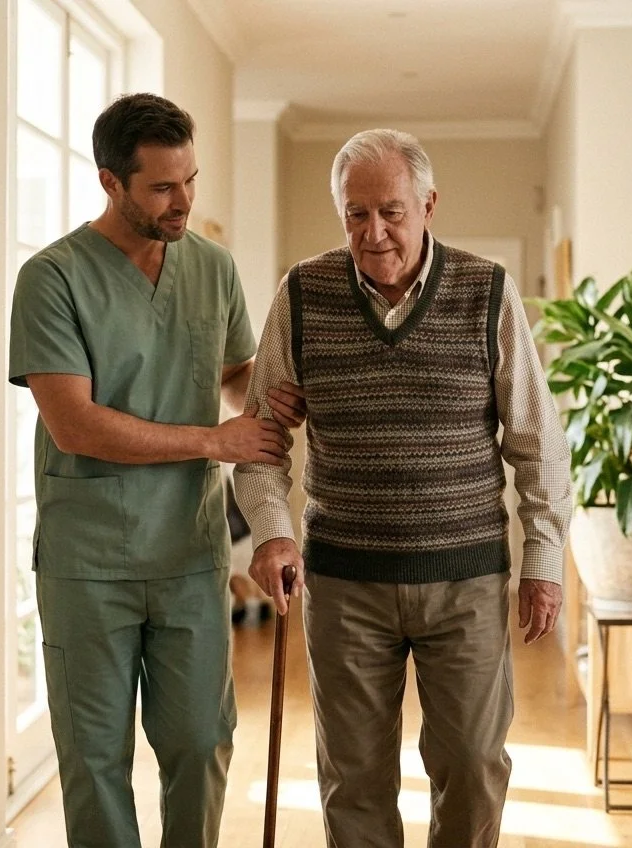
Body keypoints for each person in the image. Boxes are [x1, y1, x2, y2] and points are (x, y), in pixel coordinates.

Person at [233, 128, 573, 848]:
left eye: (390, 210)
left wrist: (542, 564)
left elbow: (536, 441)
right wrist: (271, 530)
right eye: (355, 214)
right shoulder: (302, 293)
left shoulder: (486, 291)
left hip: (465, 579)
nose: (374, 231)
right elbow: (260, 443)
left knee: (473, 764)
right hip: (345, 581)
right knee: (352, 778)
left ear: (428, 203)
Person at [8, 92, 306, 848]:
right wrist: (215, 441)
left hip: (188, 551)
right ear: (111, 182)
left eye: (191, 181)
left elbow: (236, 372)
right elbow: (72, 423)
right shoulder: (52, 278)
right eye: (163, 188)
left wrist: (275, 398)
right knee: (95, 756)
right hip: (89, 559)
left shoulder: (210, 267)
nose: (184, 203)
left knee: (200, 741)